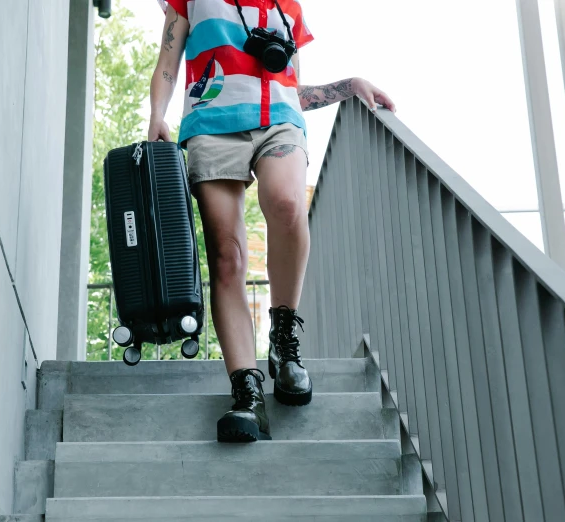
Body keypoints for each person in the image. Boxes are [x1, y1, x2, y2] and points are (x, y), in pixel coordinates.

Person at [150, 0, 395, 443]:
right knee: (227, 257)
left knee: (286, 204)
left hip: (280, 123)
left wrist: (349, 85)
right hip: (210, 123)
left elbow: (293, 88)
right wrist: (157, 115)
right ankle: (247, 395)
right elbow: (169, 62)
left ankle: (283, 339)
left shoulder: (288, 8)